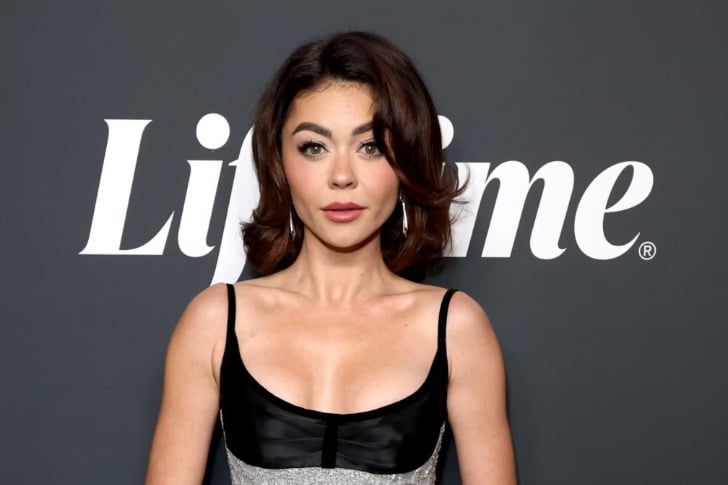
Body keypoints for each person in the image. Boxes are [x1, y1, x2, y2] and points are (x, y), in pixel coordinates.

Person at [146, 31, 516, 485]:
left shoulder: (456, 328)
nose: (342, 176)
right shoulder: (215, 322)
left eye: (370, 146)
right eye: (314, 147)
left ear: (405, 161)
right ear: (279, 163)